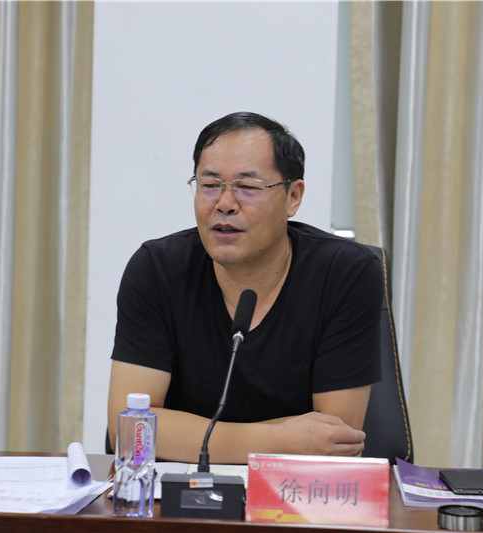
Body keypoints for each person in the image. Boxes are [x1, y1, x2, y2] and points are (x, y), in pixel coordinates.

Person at [108, 112, 383, 464]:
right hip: (179, 488)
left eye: (248, 187)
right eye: (209, 185)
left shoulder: (345, 273)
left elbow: (334, 439)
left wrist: (182, 435)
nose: (224, 204)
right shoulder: (157, 269)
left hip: (294, 491)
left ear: (293, 196)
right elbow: (130, 432)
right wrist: (281, 439)